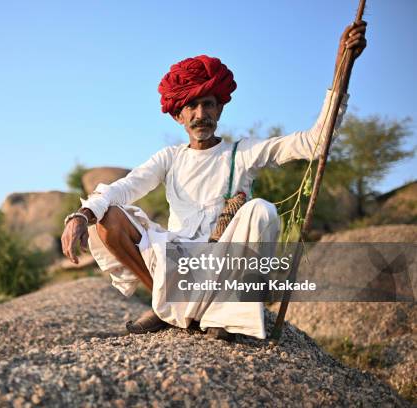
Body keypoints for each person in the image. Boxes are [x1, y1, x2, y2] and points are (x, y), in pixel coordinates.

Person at [61, 22, 367, 340]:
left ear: (220, 108)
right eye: (191, 106)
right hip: (175, 266)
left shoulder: (242, 152)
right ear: (178, 116)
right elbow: (125, 187)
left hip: (222, 265)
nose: (200, 114)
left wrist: (341, 68)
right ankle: (164, 305)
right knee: (108, 217)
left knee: (262, 210)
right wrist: (82, 215)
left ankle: (225, 314)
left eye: (208, 104)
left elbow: (315, 142)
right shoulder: (169, 157)